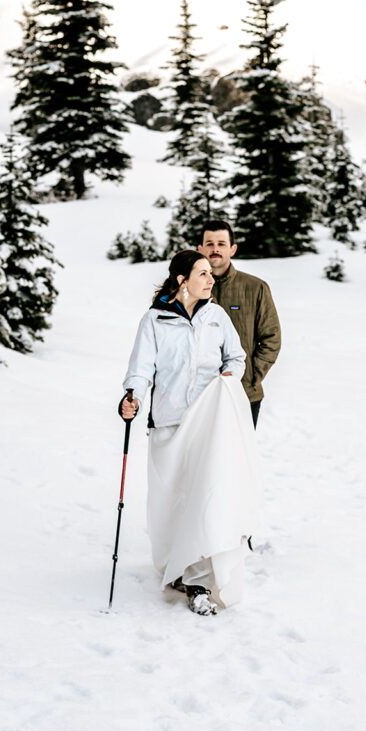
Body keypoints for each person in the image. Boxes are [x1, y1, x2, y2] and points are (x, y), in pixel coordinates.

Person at [120, 250, 263, 617]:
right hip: (167, 422)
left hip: (207, 422)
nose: (210, 278)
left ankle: (198, 579)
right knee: (168, 502)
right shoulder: (155, 320)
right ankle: (174, 567)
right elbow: (141, 367)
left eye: (209, 273)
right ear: (182, 279)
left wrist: (227, 380)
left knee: (203, 498)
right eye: (202, 273)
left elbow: (236, 357)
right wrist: (132, 396)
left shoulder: (216, 317)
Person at [198, 220, 281, 428]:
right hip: (198, 396)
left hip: (244, 394)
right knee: (202, 459)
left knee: (240, 457)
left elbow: (271, 338)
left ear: (232, 249)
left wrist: (251, 376)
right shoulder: (188, 289)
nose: (215, 249)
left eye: (221, 244)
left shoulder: (255, 288)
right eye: (209, 244)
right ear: (200, 249)